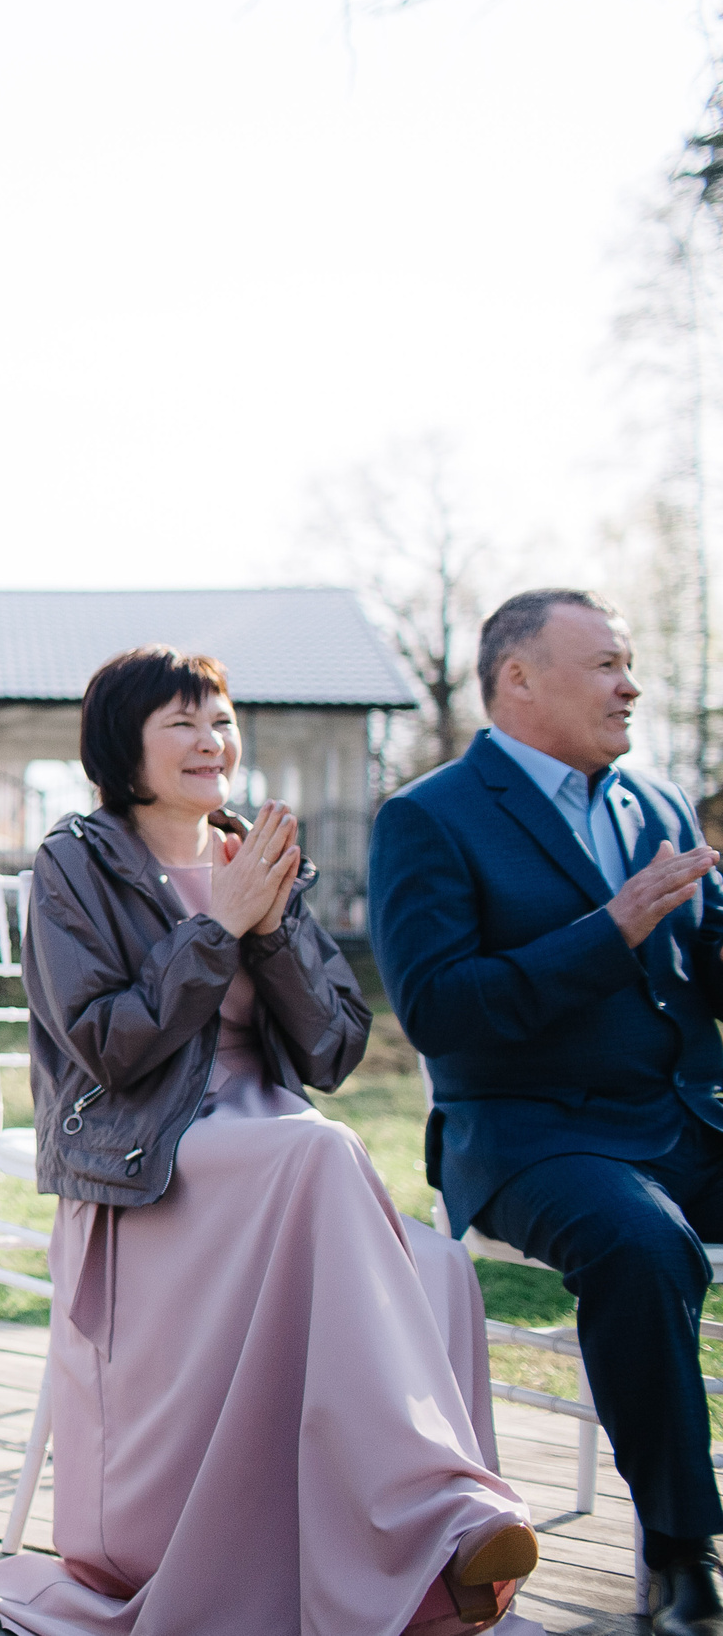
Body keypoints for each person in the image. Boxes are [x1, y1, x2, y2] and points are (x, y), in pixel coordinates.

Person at [0, 645, 536, 1636]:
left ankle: (419, 1577)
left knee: (439, 1268)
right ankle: (442, 1520)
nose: (210, 739)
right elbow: (105, 1047)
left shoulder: (252, 853)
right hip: (147, 1158)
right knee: (322, 1150)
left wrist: (268, 924)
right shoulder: (75, 863)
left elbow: (334, 1047)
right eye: (181, 721)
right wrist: (214, 928)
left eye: (220, 719)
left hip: (278, 1153)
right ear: (122, 743)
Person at [373, 589, 723, 1636]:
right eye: (608, 664)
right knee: (640, 1244)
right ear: (519, 678)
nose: (632, 686)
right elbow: (439, 1010)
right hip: (534, 1135)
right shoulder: (428, 817)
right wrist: (609, 928)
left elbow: (700, 965)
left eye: (629, 663)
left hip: (685, 1118)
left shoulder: (658, 805)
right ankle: (681, 1551)